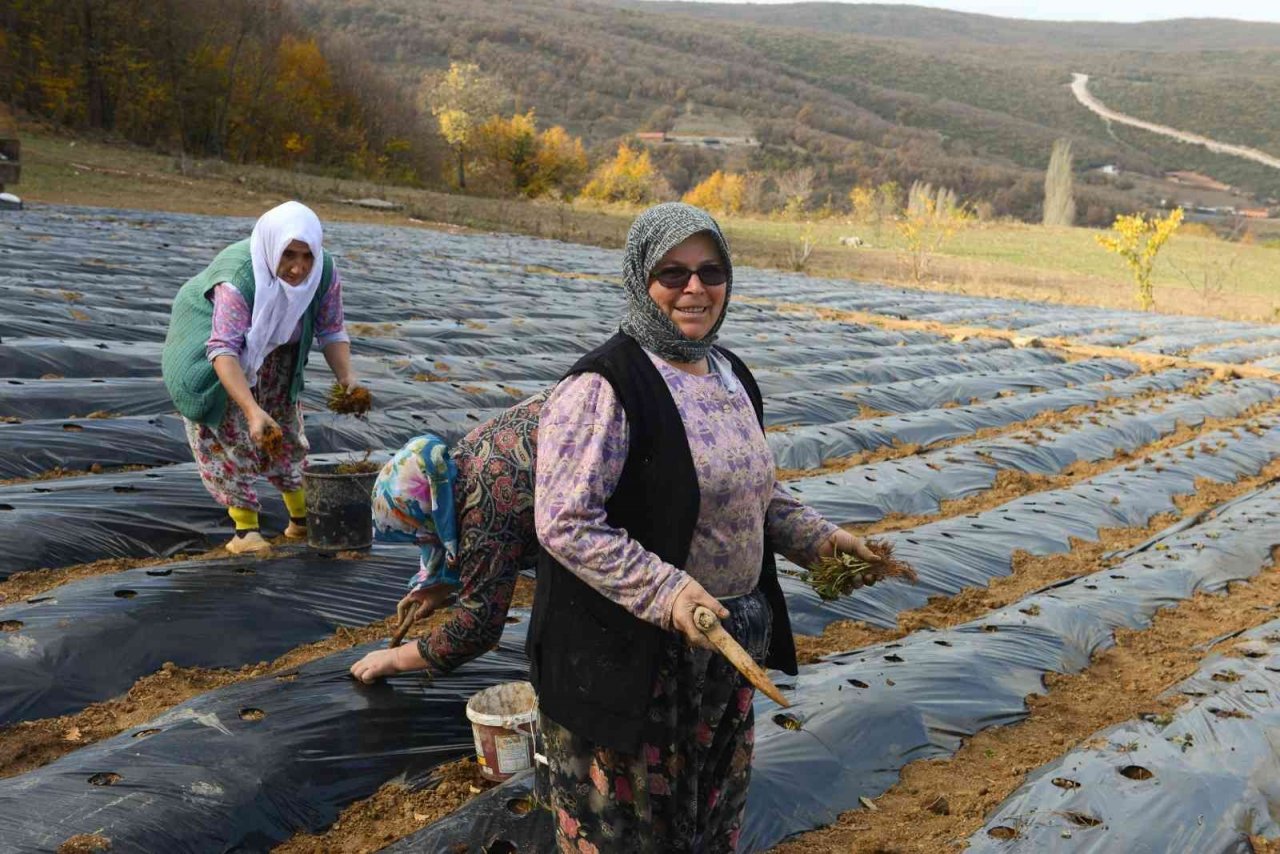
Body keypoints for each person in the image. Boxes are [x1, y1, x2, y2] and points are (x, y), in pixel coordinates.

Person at [531, 202, 883, 852]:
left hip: (721, 653)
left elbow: (757, 496)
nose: (695, 288)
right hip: (632, 666)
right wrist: (667, 592)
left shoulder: (728, 373)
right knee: (633, 839)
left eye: (710, 271)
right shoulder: (603, 387)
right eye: (673, 273)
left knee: (705, 828)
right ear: (642, 279)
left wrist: (824, 541)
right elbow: (564, 521)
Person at [162, 201, 361, 554]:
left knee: (285, 426)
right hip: (210, 353)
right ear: (273, 247)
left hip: (277, 346)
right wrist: (252, 410)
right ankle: (245, 532)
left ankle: (301, 521)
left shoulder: (324, 272)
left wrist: (347, 379)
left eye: (306, 256)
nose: (298, 268)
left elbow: (332, 329)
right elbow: (223, 349)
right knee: (231, 431)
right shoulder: (239, 279)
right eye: (288, 255)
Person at [349, 391, 547, 683]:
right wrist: (439, 588)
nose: (428, 541)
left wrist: (395, 658)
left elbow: (478, 627)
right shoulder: (457, 465)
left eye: (422, 532)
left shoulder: (484, 510)